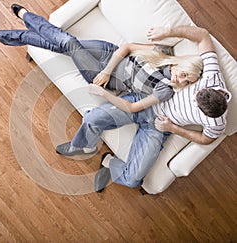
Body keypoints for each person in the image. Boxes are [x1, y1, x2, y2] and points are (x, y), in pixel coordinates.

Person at [57, 25, 231, 192]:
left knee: (132, 180)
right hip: (145, 100)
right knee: (92, 119)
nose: (191, 94)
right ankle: (82, 145)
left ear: (204, 113)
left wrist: (173, 128)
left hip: (160, 127)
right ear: (208, 88)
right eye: (195, 91)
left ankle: (109, 163)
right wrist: (168, 31)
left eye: (195, 103)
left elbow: (206, 139)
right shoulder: (212, 76)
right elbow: (203, 35)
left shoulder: (217, 122)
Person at [0, 3, 203, 115]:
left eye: (187, 82)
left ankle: (20, 21)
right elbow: (126, 47)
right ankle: (13, 29)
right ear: (180, 64)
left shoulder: (165, 91)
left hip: (102, 77)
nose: (182, 80)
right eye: (185, 74)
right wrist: (108, 68)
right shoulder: (164, 53)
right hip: (109, 55)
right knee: (60, 44)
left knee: (68, 43)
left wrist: (104, 85)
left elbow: (133, 108)